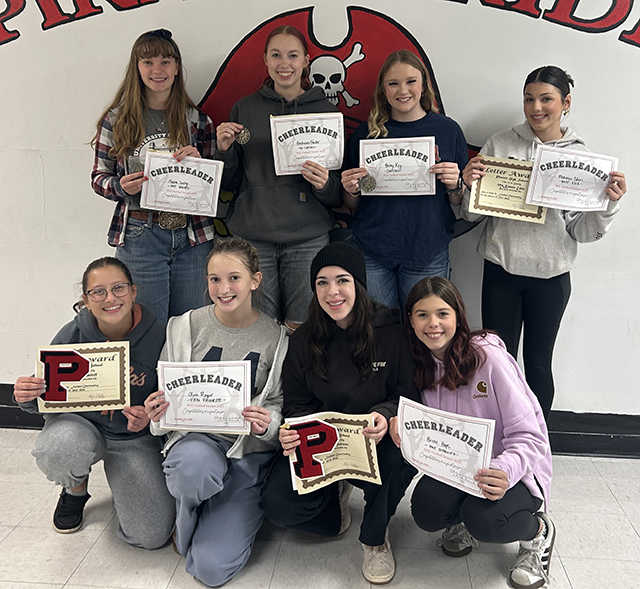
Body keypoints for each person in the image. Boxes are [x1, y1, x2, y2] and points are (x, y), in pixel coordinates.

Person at [460, 65, 627, 418]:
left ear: (566, 103)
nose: (536, 108)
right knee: (496, 362)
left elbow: (582, 231)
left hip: (551, 279)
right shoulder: (500, 143)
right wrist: (469, 187)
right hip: (502, 272)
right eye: (529, 99)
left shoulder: (583, 158)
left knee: (537, 365)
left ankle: (537, 441)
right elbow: (471, 216)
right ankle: (499, 436)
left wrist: (608, 205)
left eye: (546, 99)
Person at [260, 241, 417, 584]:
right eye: (322, 282)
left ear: (359, 284)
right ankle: (334, 498)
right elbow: (296, 404)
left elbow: (408, 394)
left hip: (375, 440)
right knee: (278, 505)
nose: (332, 292)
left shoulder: (392, 330)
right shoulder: (303, 340)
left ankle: (375, 539)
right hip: (323, 444)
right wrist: (291, 431)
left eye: (342, 280)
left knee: (402, 455)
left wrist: (385, 413)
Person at [390, 276, 553, 589]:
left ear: (458, 316)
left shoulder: (489, 359)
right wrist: (401, 423)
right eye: (422, 315)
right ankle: (464, 518)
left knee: (486, 521)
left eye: (442, 313)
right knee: (426, 510)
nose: (433, 324)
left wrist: (506, 470)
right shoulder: (420, 362)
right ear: (410, 320)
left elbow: (531, 436)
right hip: (462, 468)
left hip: (515, 470)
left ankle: (537, 534)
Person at [144, 238, 288, 587]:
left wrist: (268, 423)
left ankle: (225, 510)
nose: (224, 289)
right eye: (214, 279)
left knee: (211, 570)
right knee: (194, 470)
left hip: (247, 455)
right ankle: (189, 513)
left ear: (255, 280)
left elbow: (279, 404)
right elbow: (166, 393)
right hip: (197, 442)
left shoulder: (278, 338)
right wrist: (157, 410)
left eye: (234, 278)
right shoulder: (185, 327)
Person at [13, 257, 174, 549]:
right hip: (79, 426)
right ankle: (75, 491)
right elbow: (46, 398)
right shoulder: (72, 334)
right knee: (59, 447)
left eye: (118, 288)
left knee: (150, 536)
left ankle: (125, 485)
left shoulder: (161, 335)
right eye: (98, 292)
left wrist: (150, 418)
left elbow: (169, 401)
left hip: (131, 439)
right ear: (86, 300)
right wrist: (27, 395)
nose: (110, 298)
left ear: (134, 291)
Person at [214, 25, 342, 330]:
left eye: (293, 55)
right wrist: (224, 151)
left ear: (306, 61)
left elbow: (339, 195)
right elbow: (230, 184)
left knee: (305, 327)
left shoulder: (326, 112)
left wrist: (324, 184)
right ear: (265, 60)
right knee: (260, 327)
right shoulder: (244, 109)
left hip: (307, 237)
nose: (285, 63)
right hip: (253, 235)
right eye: (276, 55)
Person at [91, 28, 216, 325]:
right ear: (137, 67)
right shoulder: (117, 119)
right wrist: (120, 186)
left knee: (190, 328)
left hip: (193, 235)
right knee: (146, 327)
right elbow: (98, 177)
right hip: (140, 233)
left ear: (177, 68)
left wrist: (202, 167)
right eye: (148, 62)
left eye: (165, 62)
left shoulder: (198, 120)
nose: (157, 70)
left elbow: (216, 185)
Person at [341, 50, 469, 310]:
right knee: (380, 330)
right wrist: (351, 188)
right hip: (373, 249)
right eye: (393, 83)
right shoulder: (366, 134)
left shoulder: (448, 130)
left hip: (427, 249)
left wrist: (454, 184)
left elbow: (457, 201)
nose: (403, 90)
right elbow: (352, 203)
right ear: (383, 90)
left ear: (423, 85)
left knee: (426, 327)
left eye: (411, 81)